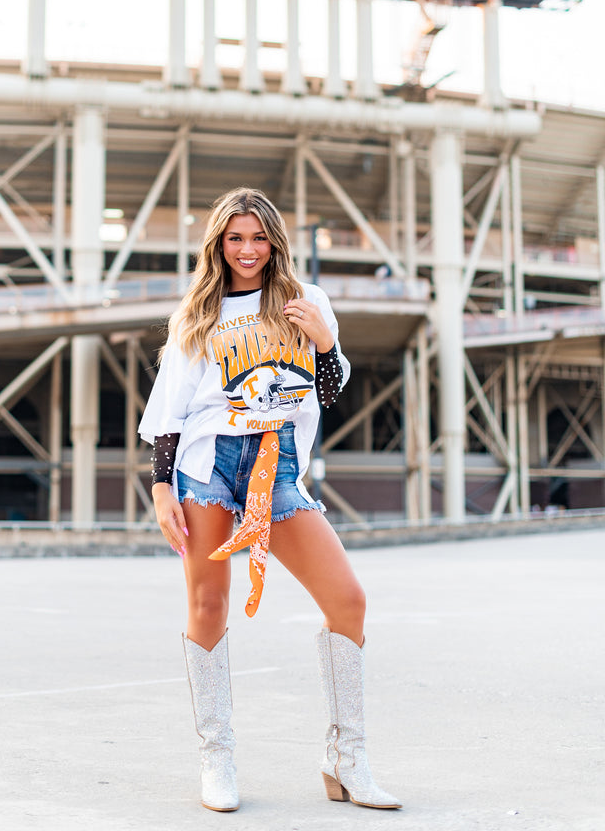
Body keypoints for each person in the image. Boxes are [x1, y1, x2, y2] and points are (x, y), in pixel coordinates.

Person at [138, 188, 401, 812]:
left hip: (276, 464)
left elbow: (328, 391)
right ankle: (217, 758)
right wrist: (160, 487)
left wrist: (326, 342)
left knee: (348, 600)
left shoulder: (304, 301)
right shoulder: (196, 315)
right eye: (236, 238)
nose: (248, 250)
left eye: (259, 238)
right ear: (218, 245)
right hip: (208, 465)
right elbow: (171, 412)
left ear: (274, 241)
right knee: (208, 602)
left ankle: (348, 758)